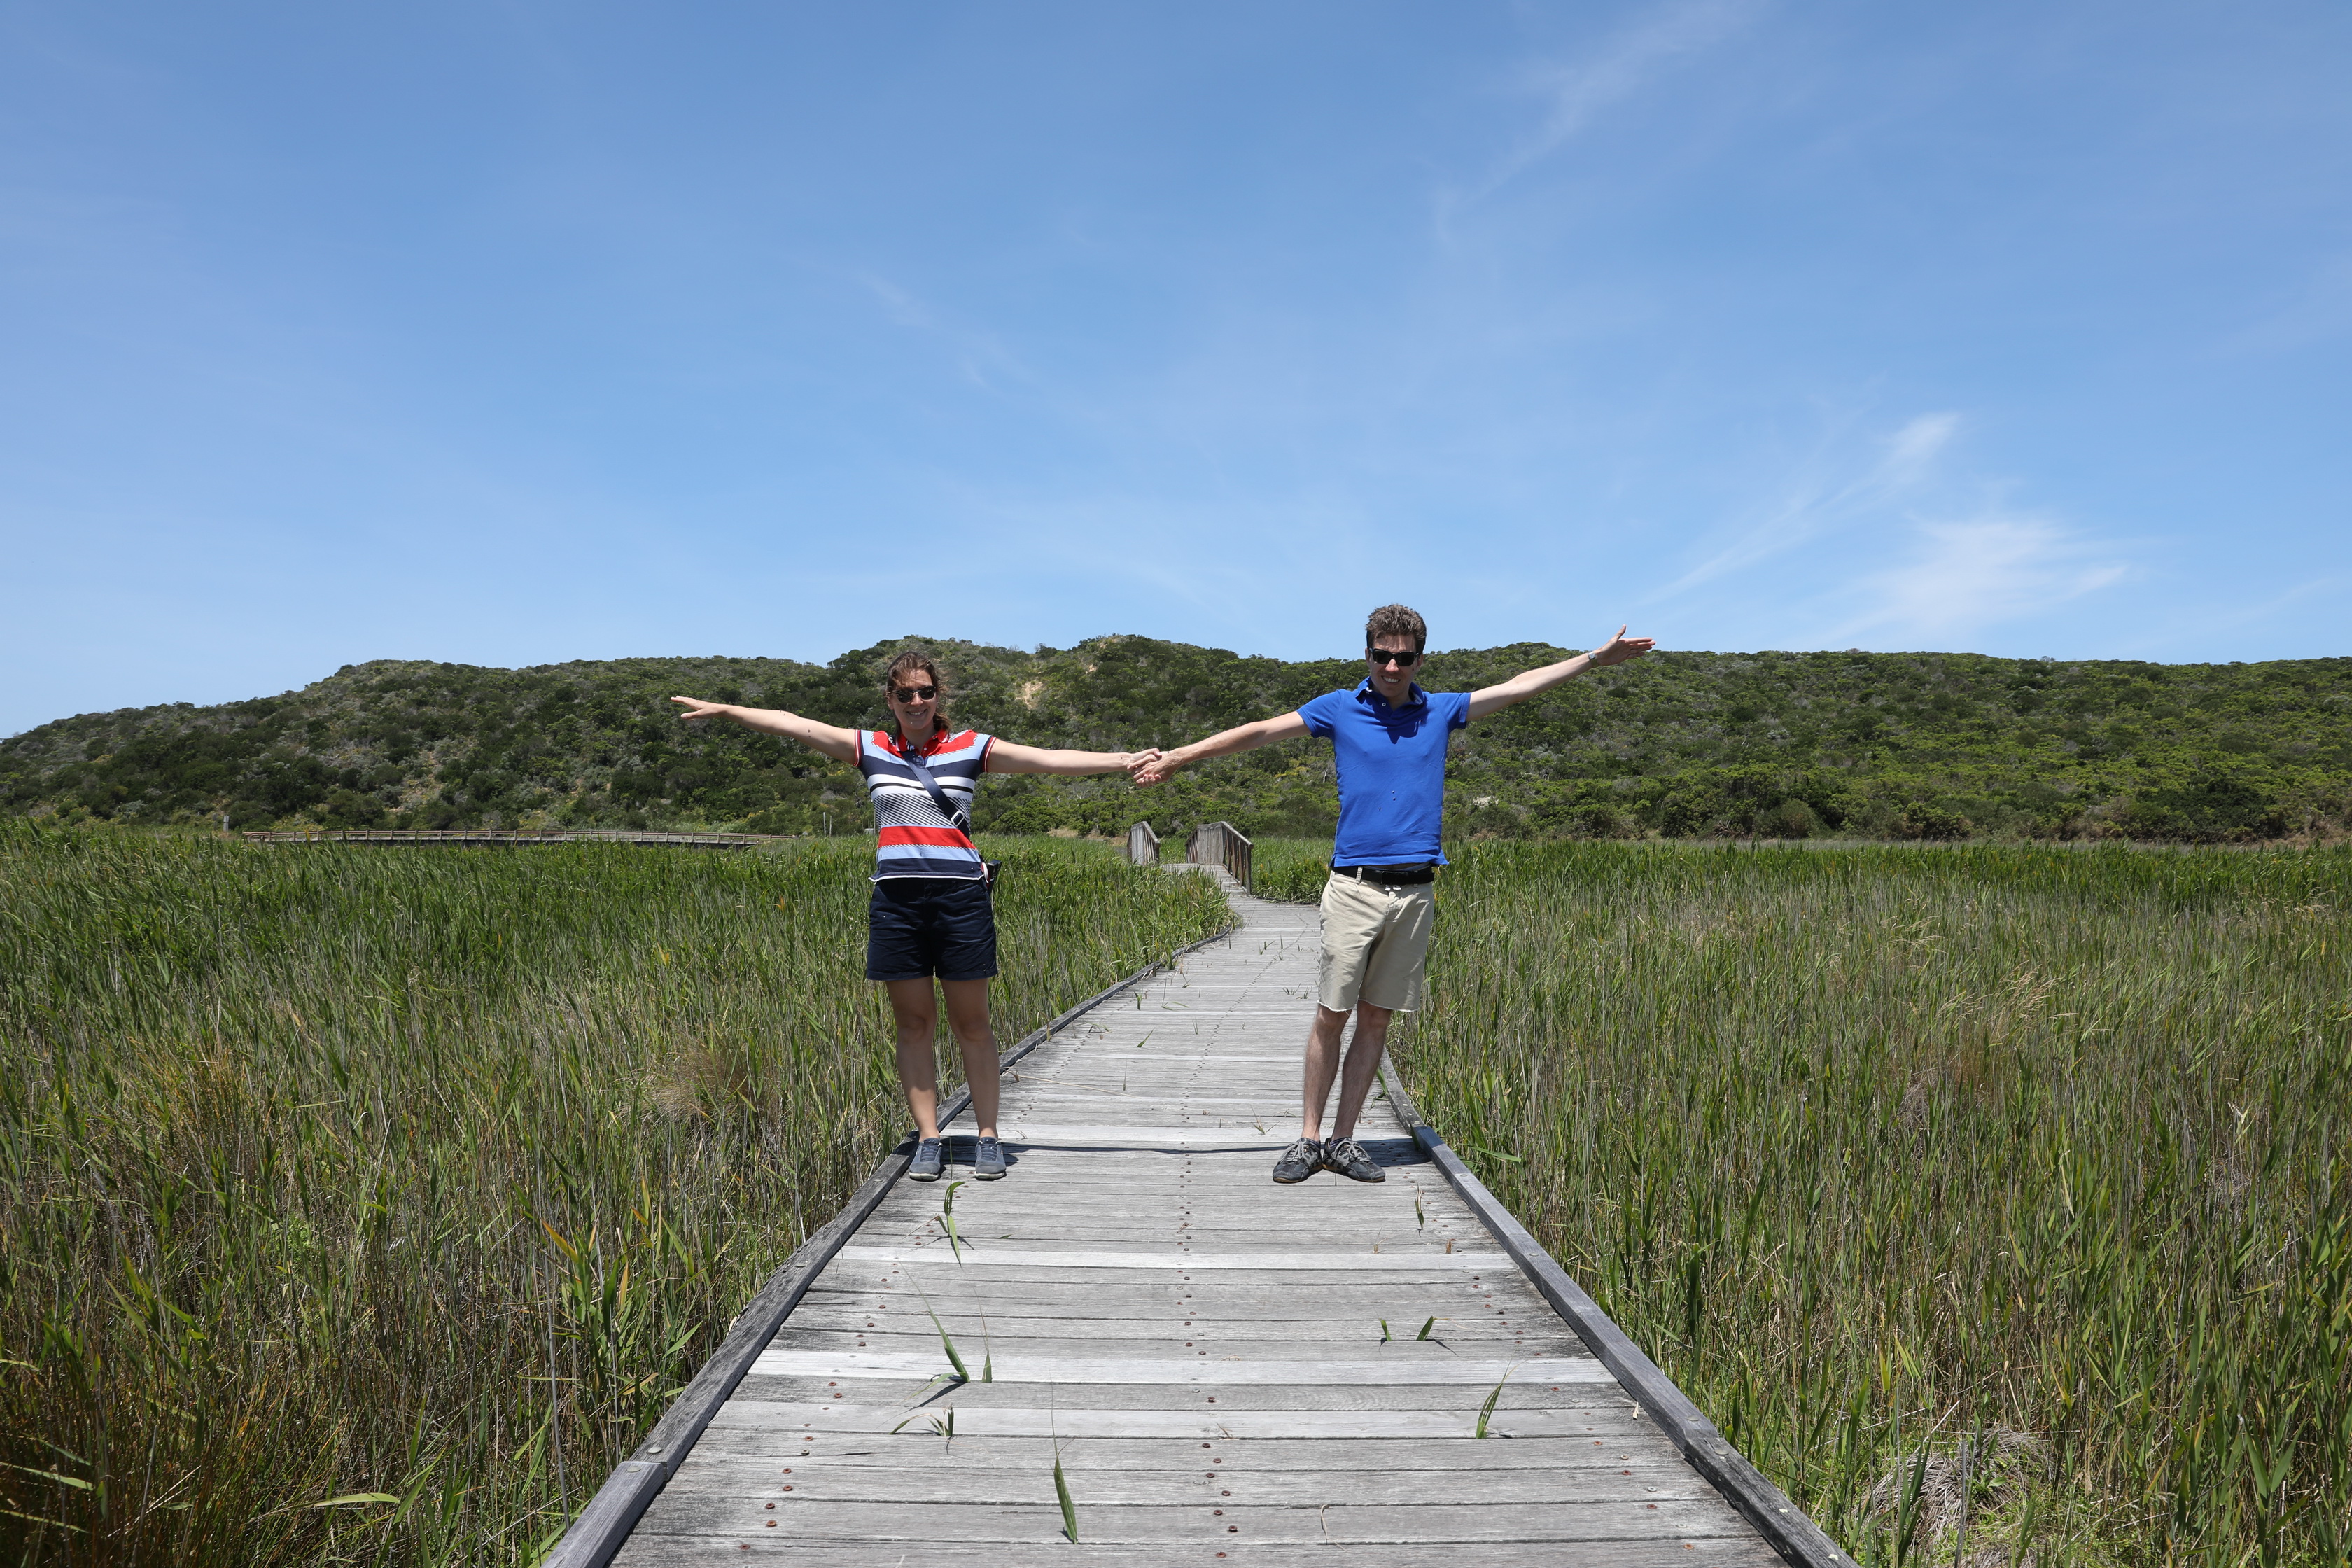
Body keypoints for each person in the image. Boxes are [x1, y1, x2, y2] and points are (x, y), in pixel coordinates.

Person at [1138, 605, 1653, 1185]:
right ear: (1367, 654)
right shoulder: (1339, 708)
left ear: (1419, 660)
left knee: (1377, 1019)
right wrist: (1181, 757)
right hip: (1353, 886)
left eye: (1403, 657)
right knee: (1332, 1014)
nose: (1391, 665)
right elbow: (1258, 733)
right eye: (1382, 654)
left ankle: (1344, 1140)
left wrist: (1593, 660)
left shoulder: (1439, 711)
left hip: (1415, 893)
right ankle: (1308, 1139)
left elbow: (1518, 688)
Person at [673, 651, 1157, 1182]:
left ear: (937, 696)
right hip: (897, 904)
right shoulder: (872, 748)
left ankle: (988, 1136)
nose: (917, 702)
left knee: (972, 1024)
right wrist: (725, 710)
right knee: (914, 1024)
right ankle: (930, 1137)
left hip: (961, 901)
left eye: (925, 692)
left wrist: (1122, 761)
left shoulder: (971, 748)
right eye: (904, 694)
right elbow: (796, 726)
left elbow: (1048, 758)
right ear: (890, 700)